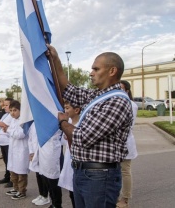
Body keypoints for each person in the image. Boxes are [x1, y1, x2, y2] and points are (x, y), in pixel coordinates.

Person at [50, 45, 133, 207]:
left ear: (112, 71)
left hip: (100, 177)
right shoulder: (98, 96)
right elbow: (69, 90)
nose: (91, 73)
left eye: (96, 69)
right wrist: (55, 59)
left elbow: (83, 137)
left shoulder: (117, 101)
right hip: (84, 173)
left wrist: (62, 122)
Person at [117, 80, 138, 208]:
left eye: (121, 89)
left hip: (125, 143)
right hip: (113, 145)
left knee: (125, 171)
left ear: (127, 91)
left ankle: (125, 199)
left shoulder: (132, 105)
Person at [4, 100, 29, 200]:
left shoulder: (23, 121)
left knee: (21, 172)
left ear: (20, 110)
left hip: (21, 150)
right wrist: (8, 130)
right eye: (10, 111)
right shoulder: (13, 120)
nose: (12, 113)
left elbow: (20, 134)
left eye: (15, 110)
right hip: (13, 149)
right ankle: (15, 188)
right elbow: (11, 133)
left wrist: (9, 130)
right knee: (13, 170)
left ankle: (22, 191)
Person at [58, 100, 81, 208]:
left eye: (67, 108)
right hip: (69, 160)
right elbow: (64, 141)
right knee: (72, 192)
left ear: (76, 110)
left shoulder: (81, 124)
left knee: (78, 193)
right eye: (65, 108)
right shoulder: (68, 123)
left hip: (77, 161)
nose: (65, 111)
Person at [0, 98, 14, 188]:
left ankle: (12, 179)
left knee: (10, 161)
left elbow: (2, 125)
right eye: (4, 105)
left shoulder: (11, 116)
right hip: (3, 142)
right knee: (6, 161)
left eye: (6, 105)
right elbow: (0, 122)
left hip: (8, 142)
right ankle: (7, 176)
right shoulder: (5, 115)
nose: (4, 107)